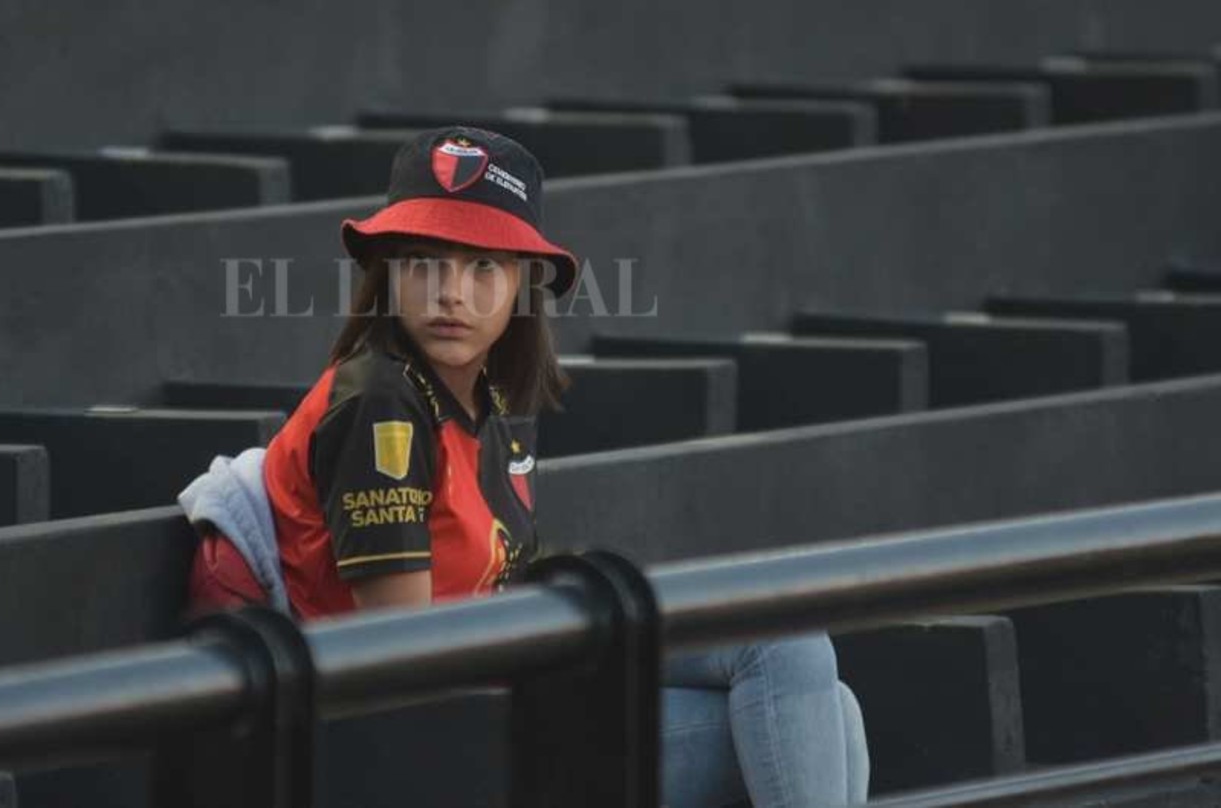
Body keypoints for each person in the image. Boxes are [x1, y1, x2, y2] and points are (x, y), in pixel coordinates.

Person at [183, 125, 870, 807]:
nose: (451, 292)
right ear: (389, 273)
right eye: (425, 261)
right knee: (796, 719)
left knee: (811, 681)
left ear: (520, 285)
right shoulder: (380, 401)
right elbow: (403, 662)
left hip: (489, 694)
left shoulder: (482, 408)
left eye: (482, 266)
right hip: (417, 748)